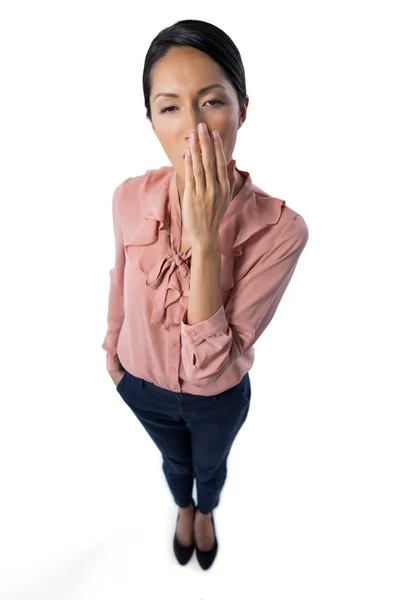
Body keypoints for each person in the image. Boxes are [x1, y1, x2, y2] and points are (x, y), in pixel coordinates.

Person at [101, 19, 309, 570]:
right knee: (174, 462)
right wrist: (114, 359)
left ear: (242, 108)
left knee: (210, 466)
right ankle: (181, 506)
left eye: (212, 102)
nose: (193, 128)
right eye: (169, 107)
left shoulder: (281, 230)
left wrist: (206, 238)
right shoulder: (127, 197)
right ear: (151, 120)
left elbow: (211, 363)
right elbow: (119, 283)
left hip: (215, 398)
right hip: (139, 384)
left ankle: (206, 510)